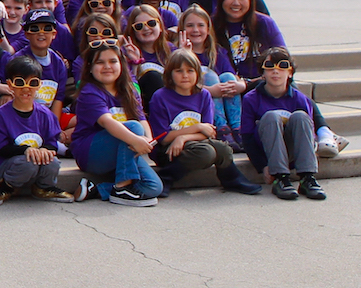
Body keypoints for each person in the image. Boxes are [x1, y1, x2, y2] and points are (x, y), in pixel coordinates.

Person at [149, 49, 261, 195]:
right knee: (205, 152)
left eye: (190, 71)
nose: (185, 75)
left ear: (197, 74)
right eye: (179, 71)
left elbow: (209, 132)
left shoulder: (203, 95)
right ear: (170, 74)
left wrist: (183, 137)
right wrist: (196, 127)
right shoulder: (160, 97)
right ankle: (165, 178)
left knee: (223, 149)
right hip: (168, 151)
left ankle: (231, 180)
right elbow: (163, 138)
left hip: (193, 143)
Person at [72, 38, 165, 207]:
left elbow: (141, 118)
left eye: (113, 61)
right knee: (133, 128)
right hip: (90, 153)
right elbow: (107, 122)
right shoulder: (89, 92)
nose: (107, 66)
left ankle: (98, 189)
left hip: (124, 150)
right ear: (90, 69)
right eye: (100, 62)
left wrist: (148, 140)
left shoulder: (129, 90)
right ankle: (123, 186)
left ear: (122, 64)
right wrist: (137, 139)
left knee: (154, 187)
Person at [0, 58, 74, 204]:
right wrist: (25, 150)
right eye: (20, 83)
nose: (26, 88)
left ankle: (43, 187)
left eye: (32, 83)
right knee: (27, 163)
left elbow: (52, 143)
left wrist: (45, 150)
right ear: (9, 85)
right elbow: (0, 149)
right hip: (11, 165)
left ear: (39, 85)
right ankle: (6, 186)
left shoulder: (46, 114)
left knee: (53, 162)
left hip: (37, 162)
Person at [240, 49, 325, 201]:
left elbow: (309, 133)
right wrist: (262, 166)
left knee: (301, 116)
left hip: (292, 150)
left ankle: (307, 177)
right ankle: (281, 178)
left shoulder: (300, 99)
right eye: (270, 66)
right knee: (271, 117)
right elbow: (246, 137)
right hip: (268, 151)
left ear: (290, 73)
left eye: (282, 66)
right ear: (263, 73)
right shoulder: (251, 99)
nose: (276, 71)